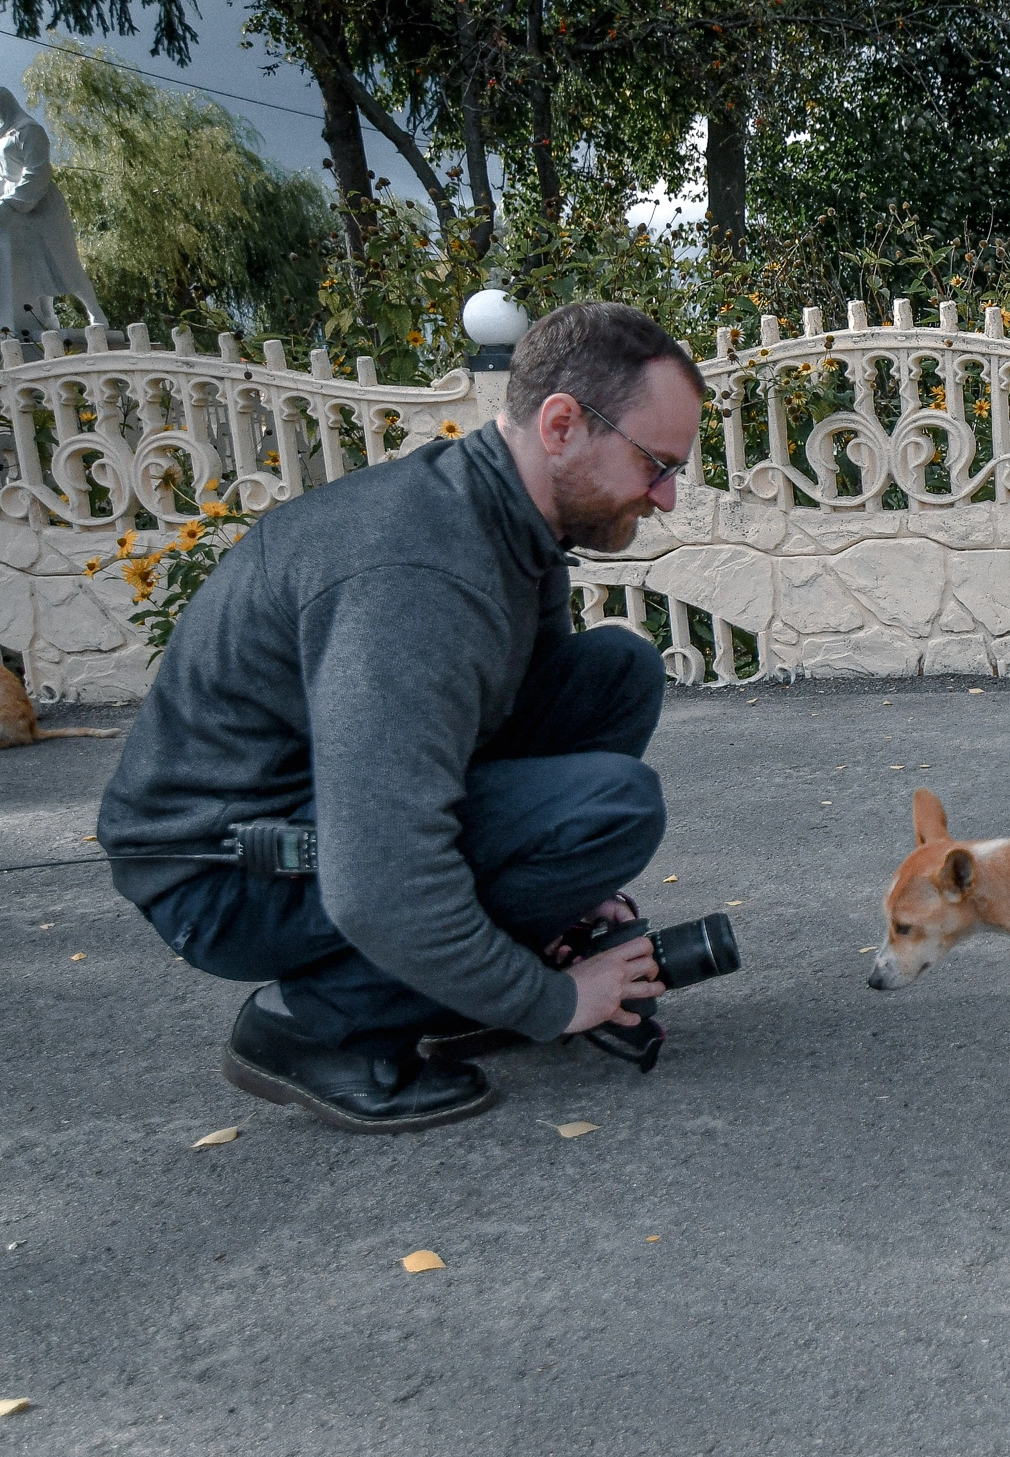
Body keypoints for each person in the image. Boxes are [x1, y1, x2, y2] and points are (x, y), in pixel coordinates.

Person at [97, 301, 703, 1132]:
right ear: (562, 425)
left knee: (616, 671)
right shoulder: (419, 577)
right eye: (656, 464)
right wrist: (553, 999)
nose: (667, 496)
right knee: (612, 808)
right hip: (227, 872)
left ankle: (457, 975)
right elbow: (381, 879)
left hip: (324, 816)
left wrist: (567, 903)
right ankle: (314, 1025)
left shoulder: (509, 526)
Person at [0, 88, 107, 335]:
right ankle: (46, 319)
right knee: (32, 264)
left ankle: (95, 313)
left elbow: (38, 171)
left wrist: (13, 202)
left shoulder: (28, 130)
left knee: (61, 259)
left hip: (41, 206)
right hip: (13, 209)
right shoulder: (4, 135)